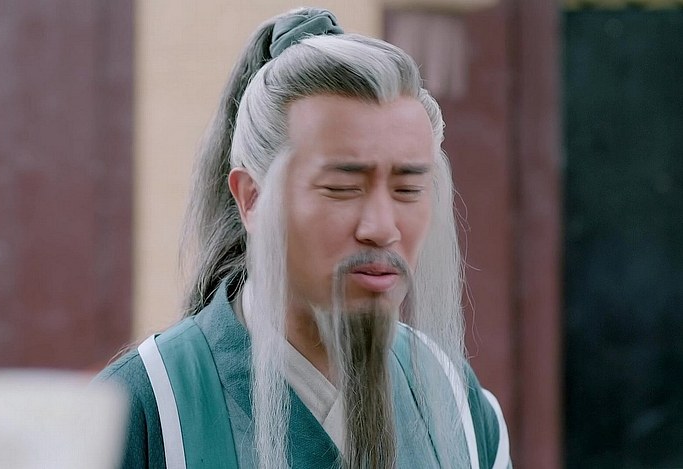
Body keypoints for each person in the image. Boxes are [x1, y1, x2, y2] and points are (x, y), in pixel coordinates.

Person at [97, 7, 511, 468]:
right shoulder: (143, 410)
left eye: (408, 190)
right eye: (342, 188)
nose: (381, 227)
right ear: (252, 198)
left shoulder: (458, 404)